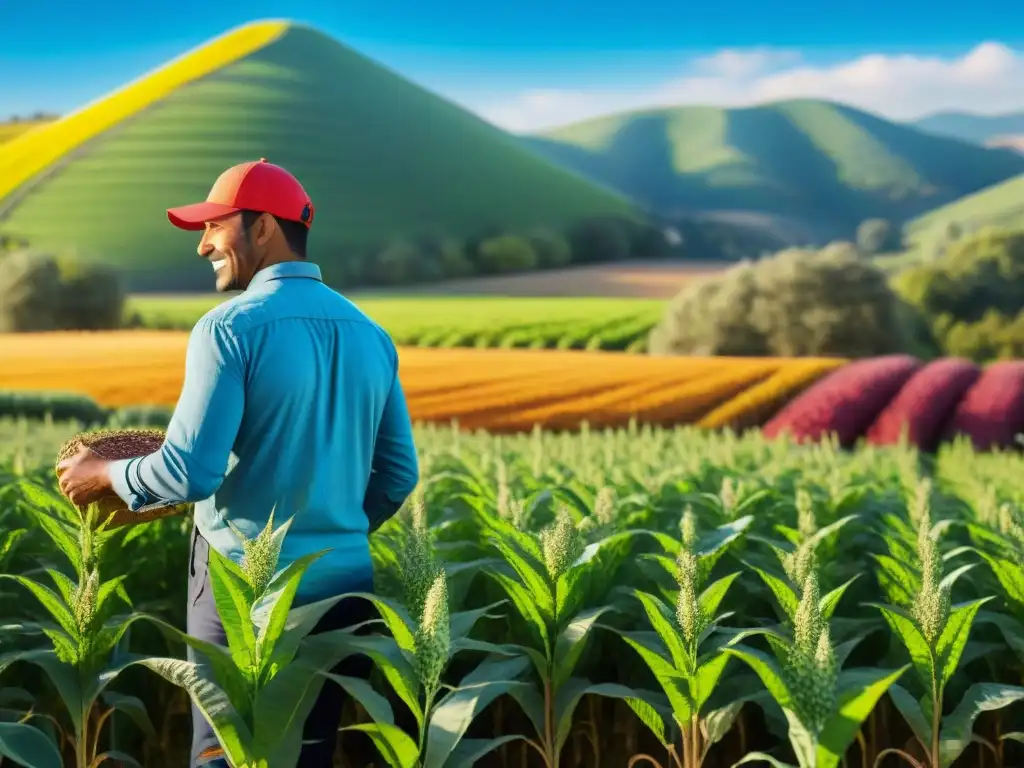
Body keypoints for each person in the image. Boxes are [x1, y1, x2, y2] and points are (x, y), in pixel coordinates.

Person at [56, 158, 420, 767]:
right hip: (346, 591)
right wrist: (333, 531)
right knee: (309, 754)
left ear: (263, 228)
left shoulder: (228, 330)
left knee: (227, 755)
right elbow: (399, 475)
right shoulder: (371, 335)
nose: (203, 246)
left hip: (241, 595)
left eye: (215, 226)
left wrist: (104, 474)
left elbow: (190, 472)